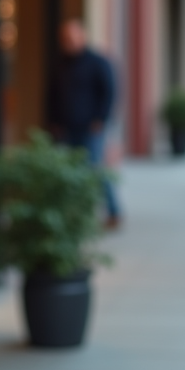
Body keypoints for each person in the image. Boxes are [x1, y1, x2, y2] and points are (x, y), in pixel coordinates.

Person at [47, 19, 120, 229]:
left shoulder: (97, 62)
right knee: (69, 172)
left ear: (82, 36)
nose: (68, 41)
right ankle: (77, 214)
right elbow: (51, 96)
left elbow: (110, 92)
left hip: (91, 128)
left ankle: (114, 211)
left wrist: (101, 119)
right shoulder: (60, 64)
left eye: (72, 37)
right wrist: (53, 122)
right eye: (65, 38)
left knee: (95, 169)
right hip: (66, 128)